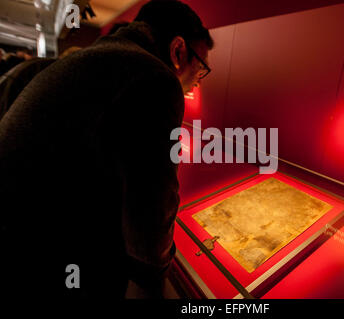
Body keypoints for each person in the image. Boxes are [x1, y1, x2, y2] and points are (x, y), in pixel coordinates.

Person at [0, 0, 213, 299]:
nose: (197, 82)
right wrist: (151, 281)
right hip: (38, 256)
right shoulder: (155, 76)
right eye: (201, 67)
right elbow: (150, 213)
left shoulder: (97, 57)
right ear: (178, 50)